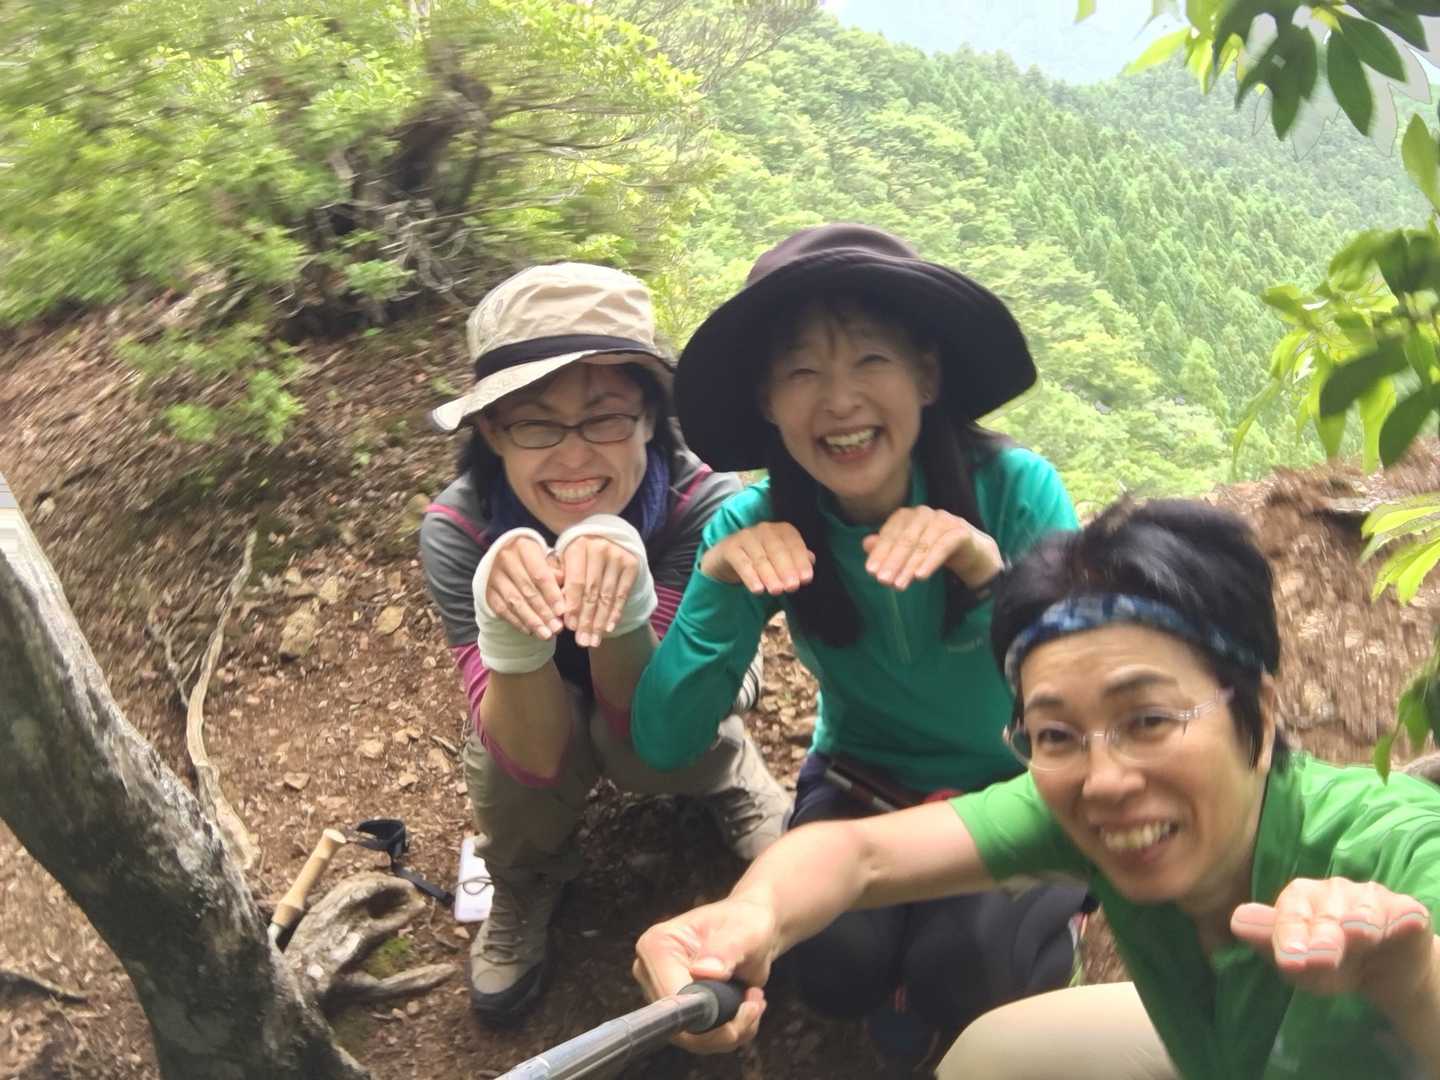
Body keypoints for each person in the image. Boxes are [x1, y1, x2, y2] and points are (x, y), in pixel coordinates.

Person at [633, 498, 1440, 1080]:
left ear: (1257, 716)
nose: (1106, 780)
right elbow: (860, 854)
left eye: (1149, 720)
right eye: (1054, 733)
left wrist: (1411, 981)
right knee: (993, 1058)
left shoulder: (1388, 844)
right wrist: (749, 916)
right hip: (1219, 1044)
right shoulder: (1089, 804)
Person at [631, 224, 1089, 1070]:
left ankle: (1030, 940)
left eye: (871, 360)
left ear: (927, 376)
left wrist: (992, 578)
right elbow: (663, 741)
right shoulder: (756, 526)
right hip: (862, 781)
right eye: (802, 372)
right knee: (831, 965)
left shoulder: (1015, 491)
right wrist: (720, 591)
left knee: (970, 966)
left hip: (1017, 783)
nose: (838, 401)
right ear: (768, 402)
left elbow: (1096, 694)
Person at [420, 262, 788, 1021]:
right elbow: (532, 754)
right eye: (535, 423)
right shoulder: (458, 532)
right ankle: (525, 877)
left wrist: (624, 602)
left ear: (650, 417)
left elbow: (655, 725)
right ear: (492, 432)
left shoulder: (707, 506)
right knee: (502, 763)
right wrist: (510, 631)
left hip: (664, 694)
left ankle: (727, 772)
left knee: (664, 739)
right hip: (546, 698)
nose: (574, 456)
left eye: (606, 417)